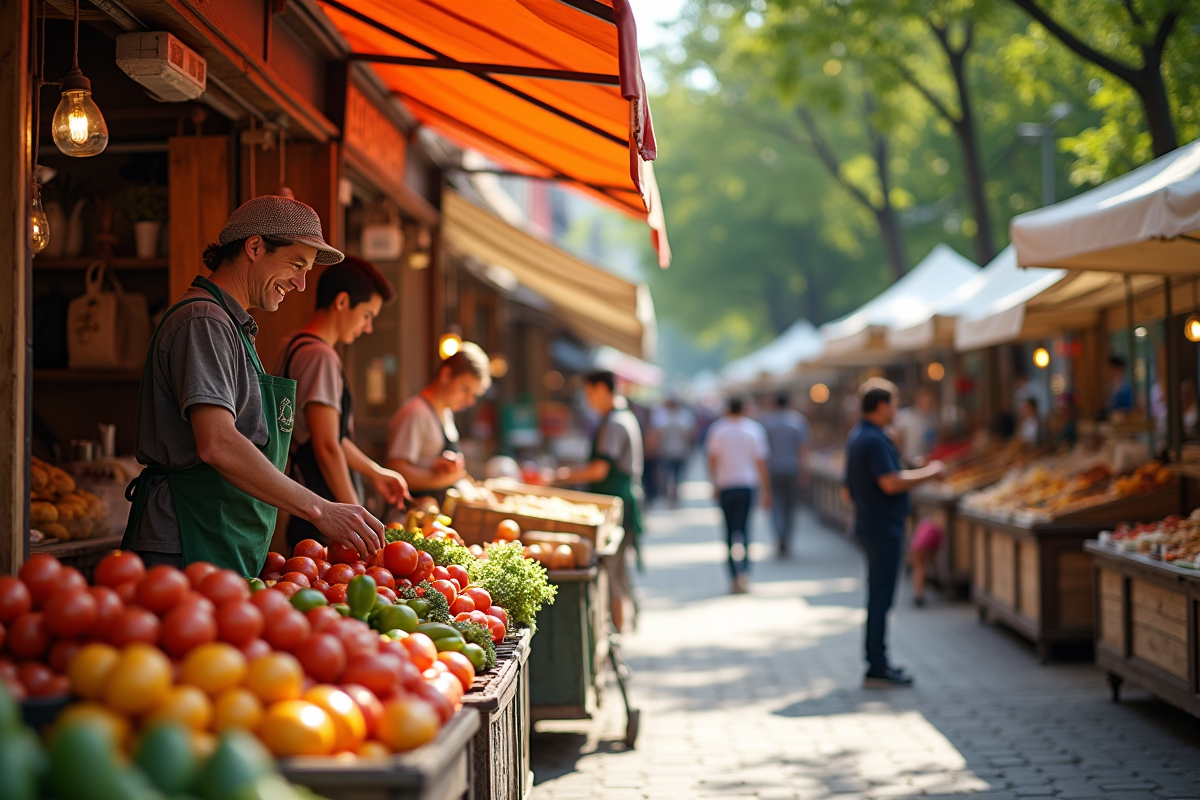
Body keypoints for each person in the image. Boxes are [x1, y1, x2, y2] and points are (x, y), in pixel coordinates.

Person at [122, 195, 385, 576]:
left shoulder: (231, 325)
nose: (300, 283)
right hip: (186, 538)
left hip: (219, 533)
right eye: (296, 265)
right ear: (255, 246)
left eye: (307, 271)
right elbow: (217, 442)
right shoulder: (204, 321)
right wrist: (321, 509)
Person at [275, 257, 410, 550]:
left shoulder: (293, 344)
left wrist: (374, 471)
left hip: (306, 503)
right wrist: (358, 517)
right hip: (325, 516)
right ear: (342, 302)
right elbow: (325, 446)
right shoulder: (320, 356)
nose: (368, 327)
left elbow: (326, 435)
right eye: (366, 315)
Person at [843, 381, 944, 686]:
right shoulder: (873, 439)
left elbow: (849, 489)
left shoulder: (862, 435)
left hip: (872, 523)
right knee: (881, 598)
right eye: (895, 405)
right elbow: (890, 482)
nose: (897, 411)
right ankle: (877, 665)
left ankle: (878, 661)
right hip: (881, 526)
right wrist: (930, 474)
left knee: (879, 596)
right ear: (882, 406)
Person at [554, 371, 645, 630]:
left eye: (589, 392)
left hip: (616, 501)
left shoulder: (615, 423)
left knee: (613, 576)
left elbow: (599, 470)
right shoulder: (620, 417)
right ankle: (628, 623)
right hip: (621, 499)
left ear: (603, 389)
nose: (588, 398)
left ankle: (617, 636)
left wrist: (561, 476)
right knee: (620, 571)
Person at [385, 342, 491, 507]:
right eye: (465, 389)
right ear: (446, 374)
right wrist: (446, 478)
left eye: (474, 395)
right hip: (411, 518)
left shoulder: (446, 413)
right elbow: (396, 471)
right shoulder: (416, 412)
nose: (470, 401)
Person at [706, 397, 771, 593]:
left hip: (726, 484)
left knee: (728, 532)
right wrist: (766, 489)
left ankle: (734, 575)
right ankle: (745, 573)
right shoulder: (754, 430)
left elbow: (712, 459)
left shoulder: (718, 429)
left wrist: (713, 482)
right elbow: (761, 462)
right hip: (747, 484)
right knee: (745, 530)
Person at [759, 392, 810, 557]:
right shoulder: (798, 421)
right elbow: (803, 448)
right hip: (792, 469)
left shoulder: (767, 422)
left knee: (775, 504)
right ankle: (787, 536)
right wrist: (804, 470)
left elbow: (762, 451)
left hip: (772, 469)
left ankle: (779, 534)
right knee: (790, 507)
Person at [652, 397, 696, 507]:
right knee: (674, 475)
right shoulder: (684, 417)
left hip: (672, 451)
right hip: (674, 451)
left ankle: (672, 496)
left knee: (671, 475)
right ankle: (673, 496)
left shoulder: (662, 417)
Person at [893, 386, 938, 466]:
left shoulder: (933, 418)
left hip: (928, 462)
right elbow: (896, 438)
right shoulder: (905, 416)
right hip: (909, 463)